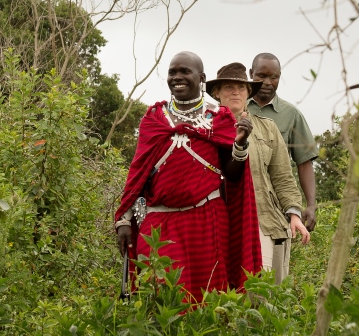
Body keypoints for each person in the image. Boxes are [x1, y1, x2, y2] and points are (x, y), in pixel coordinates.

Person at [114, 52, 262, 303]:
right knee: (159, 298)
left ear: (202, 78)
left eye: (185, 72)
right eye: (173, 72)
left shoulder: (219, 120)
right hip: (159, 223)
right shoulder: (153, 119)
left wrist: (239, 144)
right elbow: (137, 174)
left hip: (207, 220)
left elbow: (233, 176)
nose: (177, 78)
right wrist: (124, 220)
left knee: (207, 301)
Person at [206, 62, 309, 284]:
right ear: (216, 93)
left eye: (241, 88)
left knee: (262, 293)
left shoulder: (268, 128)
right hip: (217, 222)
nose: (236, 92)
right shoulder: (204, 128)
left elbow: (282, 176)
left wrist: (294, 214)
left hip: (262, 221)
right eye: (228, 87)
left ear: (249, 92)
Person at [248, 52, 319, 232]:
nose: (267, 82)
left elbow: (304, 163)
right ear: (251, 74)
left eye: (274, 77)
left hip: (277, 205)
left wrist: (311, 205)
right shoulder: (235, 108)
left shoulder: (291, 115)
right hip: (242, 200)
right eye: (261, 76)